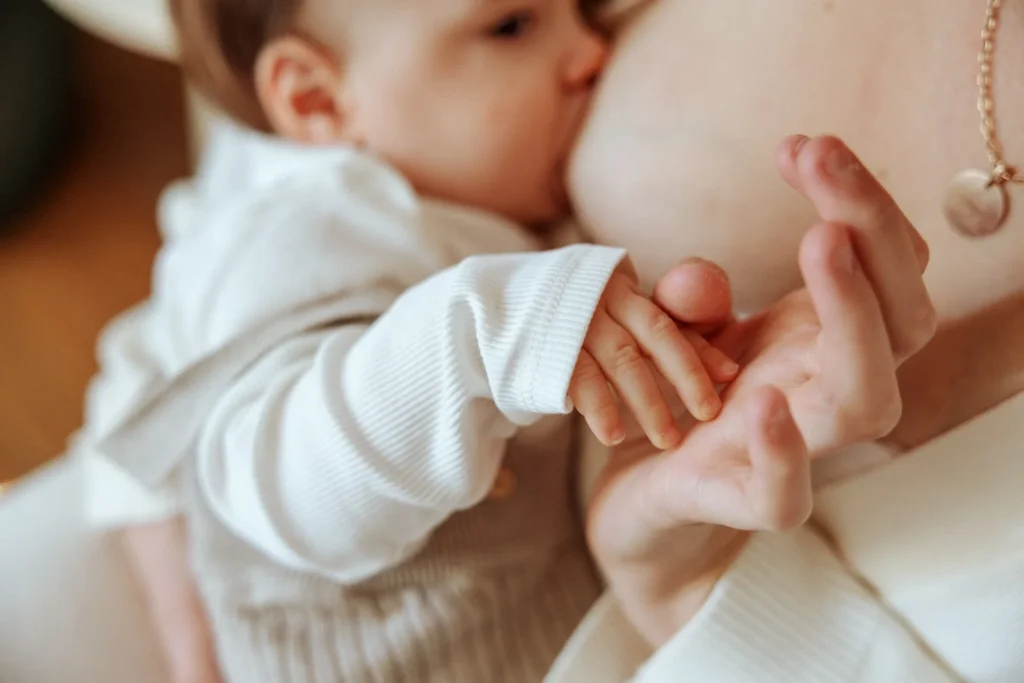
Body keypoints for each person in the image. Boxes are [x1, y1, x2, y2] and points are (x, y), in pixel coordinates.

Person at [1, 0, 1010, 681]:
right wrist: (487, 333)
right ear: (314, 99)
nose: (586, 52)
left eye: (574, 6)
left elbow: (155, 349)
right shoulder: (320, 227)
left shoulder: (441, 202)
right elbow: (275, 483)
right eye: (510, 25)